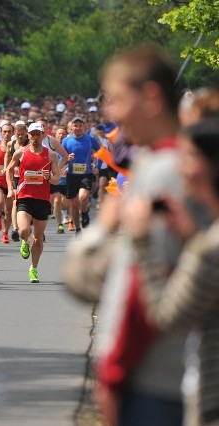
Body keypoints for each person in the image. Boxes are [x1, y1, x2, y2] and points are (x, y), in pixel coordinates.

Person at [63, 47, 194, 426]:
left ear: (151, 97)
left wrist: (115, 374)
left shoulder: (165, 173)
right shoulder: (155, 164)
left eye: (117, 99)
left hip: (155, 380)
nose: (110, 113)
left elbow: (144, 290)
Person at [125, 118, 219, 426]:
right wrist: (191, 238)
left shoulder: (210, 249)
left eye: (188, 157)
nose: (179, 168)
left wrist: (142, 241)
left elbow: (167, 317)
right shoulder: (206, 242)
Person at [5, 122, 60, 283]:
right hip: (24, 197)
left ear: (43, 135)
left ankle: (33, 268)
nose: (35, 137)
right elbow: (8, 169)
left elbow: (57, 178)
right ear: (28, 135)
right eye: (32, 134)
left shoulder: (51, 155)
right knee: (23, 230)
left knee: (38, 238)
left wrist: (49, 177)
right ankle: (24, 241)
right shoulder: (21, 152)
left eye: (38, 134)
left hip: (42, 200)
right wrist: (10, 188)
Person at [61, 116, 100, 233]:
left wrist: (96, 165)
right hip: (72, 175)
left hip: (86, 173)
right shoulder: (66, 141)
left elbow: (101, 151)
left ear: (84, 127)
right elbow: (62, 157)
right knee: (73, 204)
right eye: (75, 126)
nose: (78, 128)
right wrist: (66, 162)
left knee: (83, 197)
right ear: (71, 127)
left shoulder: (89, 139)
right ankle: (78, 229)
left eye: (80, 126)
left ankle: (84, 212)